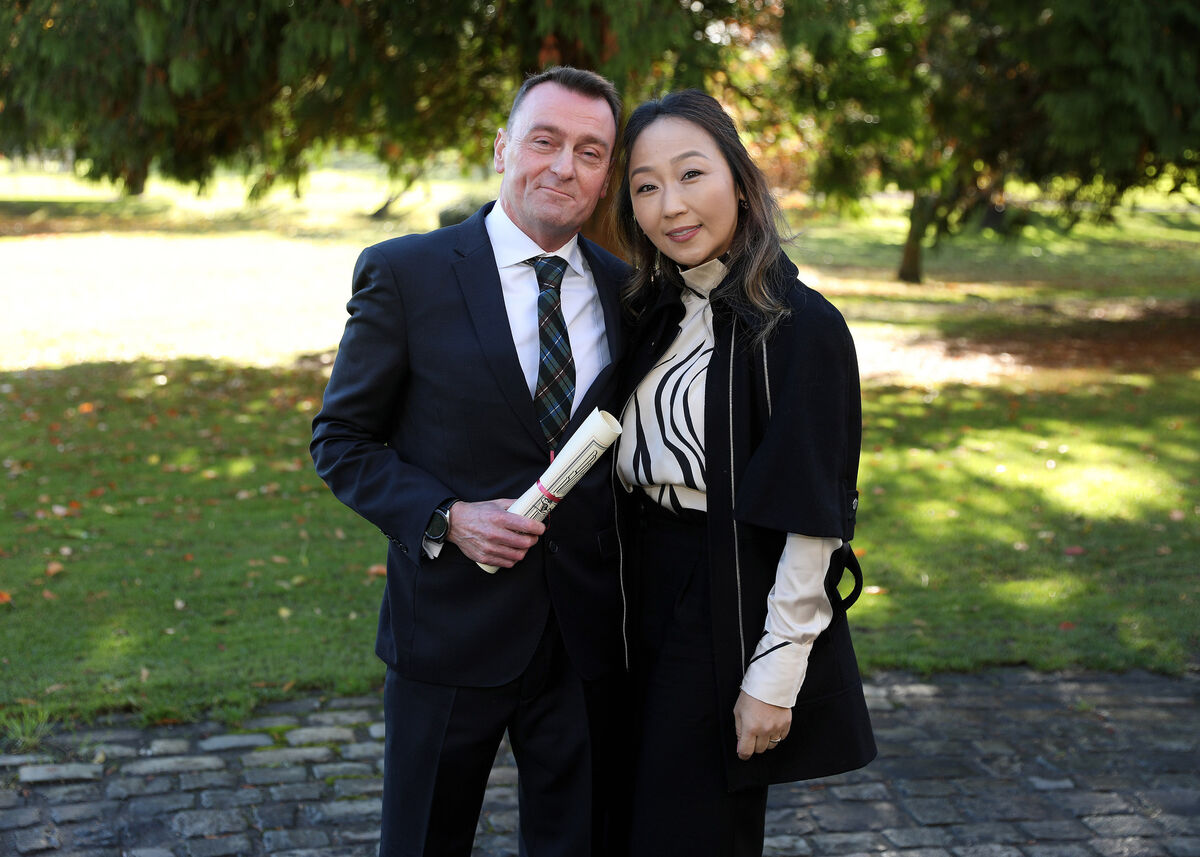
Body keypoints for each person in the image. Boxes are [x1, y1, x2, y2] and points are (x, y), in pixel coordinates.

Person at [310, 67, 630, 857]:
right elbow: (341, 440)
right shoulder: (407, 273)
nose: (563, 166)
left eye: (590, 152)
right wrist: (448, 518)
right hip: (448, 630)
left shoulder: (633, 295)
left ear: (606, 175)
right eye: (545, 140)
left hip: (586, 641)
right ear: (501, 148)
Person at [612, 89, 877, 857]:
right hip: (634, 592)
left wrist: (774, 676)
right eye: (646, 185)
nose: (671, 205)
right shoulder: (652, 311)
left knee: (689, 832)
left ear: (738, 177)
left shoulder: (802, 328)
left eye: (691, 174)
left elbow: (812, 520)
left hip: (721, 597)